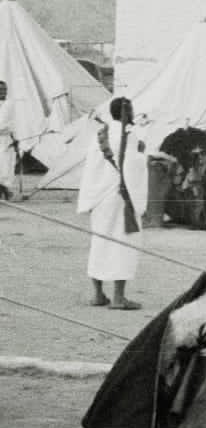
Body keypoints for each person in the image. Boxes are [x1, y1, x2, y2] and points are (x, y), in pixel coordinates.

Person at [77, 97, 150, 310]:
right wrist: (142, 156)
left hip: (101, 198)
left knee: (100, 242)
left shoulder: (100, 134)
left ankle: (98, 294)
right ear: (127, 112)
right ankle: (119, 298)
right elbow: (133, 165)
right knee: (122, 244)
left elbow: (92, 167)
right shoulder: (129, 135)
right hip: (121, 198)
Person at [0, 81, 14, 199]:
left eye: (5, 89)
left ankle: (6, 189)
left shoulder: (10, 104)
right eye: (1, 89)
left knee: (6, 166)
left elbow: (14, 122)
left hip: (5, 139)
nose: (3, 92)